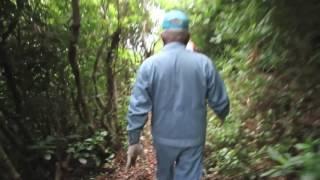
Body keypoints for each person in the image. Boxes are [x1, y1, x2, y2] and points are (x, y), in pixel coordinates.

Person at [126, 10, 230, 180]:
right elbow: (221, 102)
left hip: (163, 138)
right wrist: (222, 112)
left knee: (164, 174)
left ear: (162, 37)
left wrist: (134, 140)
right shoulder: (204, 64)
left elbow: (138, 107)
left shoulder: (149, 66)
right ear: (188, 37)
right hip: (193, 137)